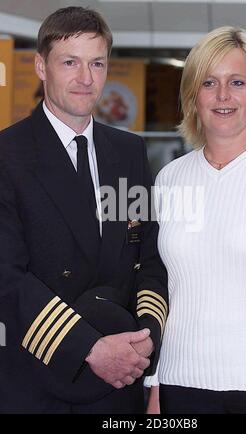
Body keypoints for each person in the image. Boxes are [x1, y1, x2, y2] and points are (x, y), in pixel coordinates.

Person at [0, 6, 168, 414]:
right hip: (41, 381)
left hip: (120, 381)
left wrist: (145, 337)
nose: (85, 78)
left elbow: (148, 255)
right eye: (70, 62)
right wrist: (89, 347)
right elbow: (6, 276)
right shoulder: (8, 154)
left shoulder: (128, 153)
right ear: (41, 66)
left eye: (97, 63)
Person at [145, 26, 246, 414]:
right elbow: (166, 290)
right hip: (180, 387)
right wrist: (156, 385)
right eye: (209, 82)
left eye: (237, 82)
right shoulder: (169, 179)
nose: (223, 95)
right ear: (192, 96)